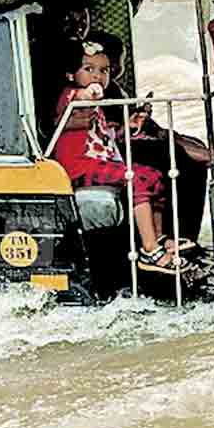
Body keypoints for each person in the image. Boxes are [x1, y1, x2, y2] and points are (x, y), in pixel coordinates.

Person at [52, 38, 189, 275]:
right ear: (70, 75)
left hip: (98, 162)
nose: (97, 76)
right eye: (89, 69)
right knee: (136, 180)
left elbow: (106, 136)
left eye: (103, 71)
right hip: (79, 167)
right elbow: (83, 97)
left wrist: (129, 126)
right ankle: (148, 248)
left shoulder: (97, 109)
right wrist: (93, 91)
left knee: (154, 177)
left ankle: (158, 236)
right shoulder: (72, 96)